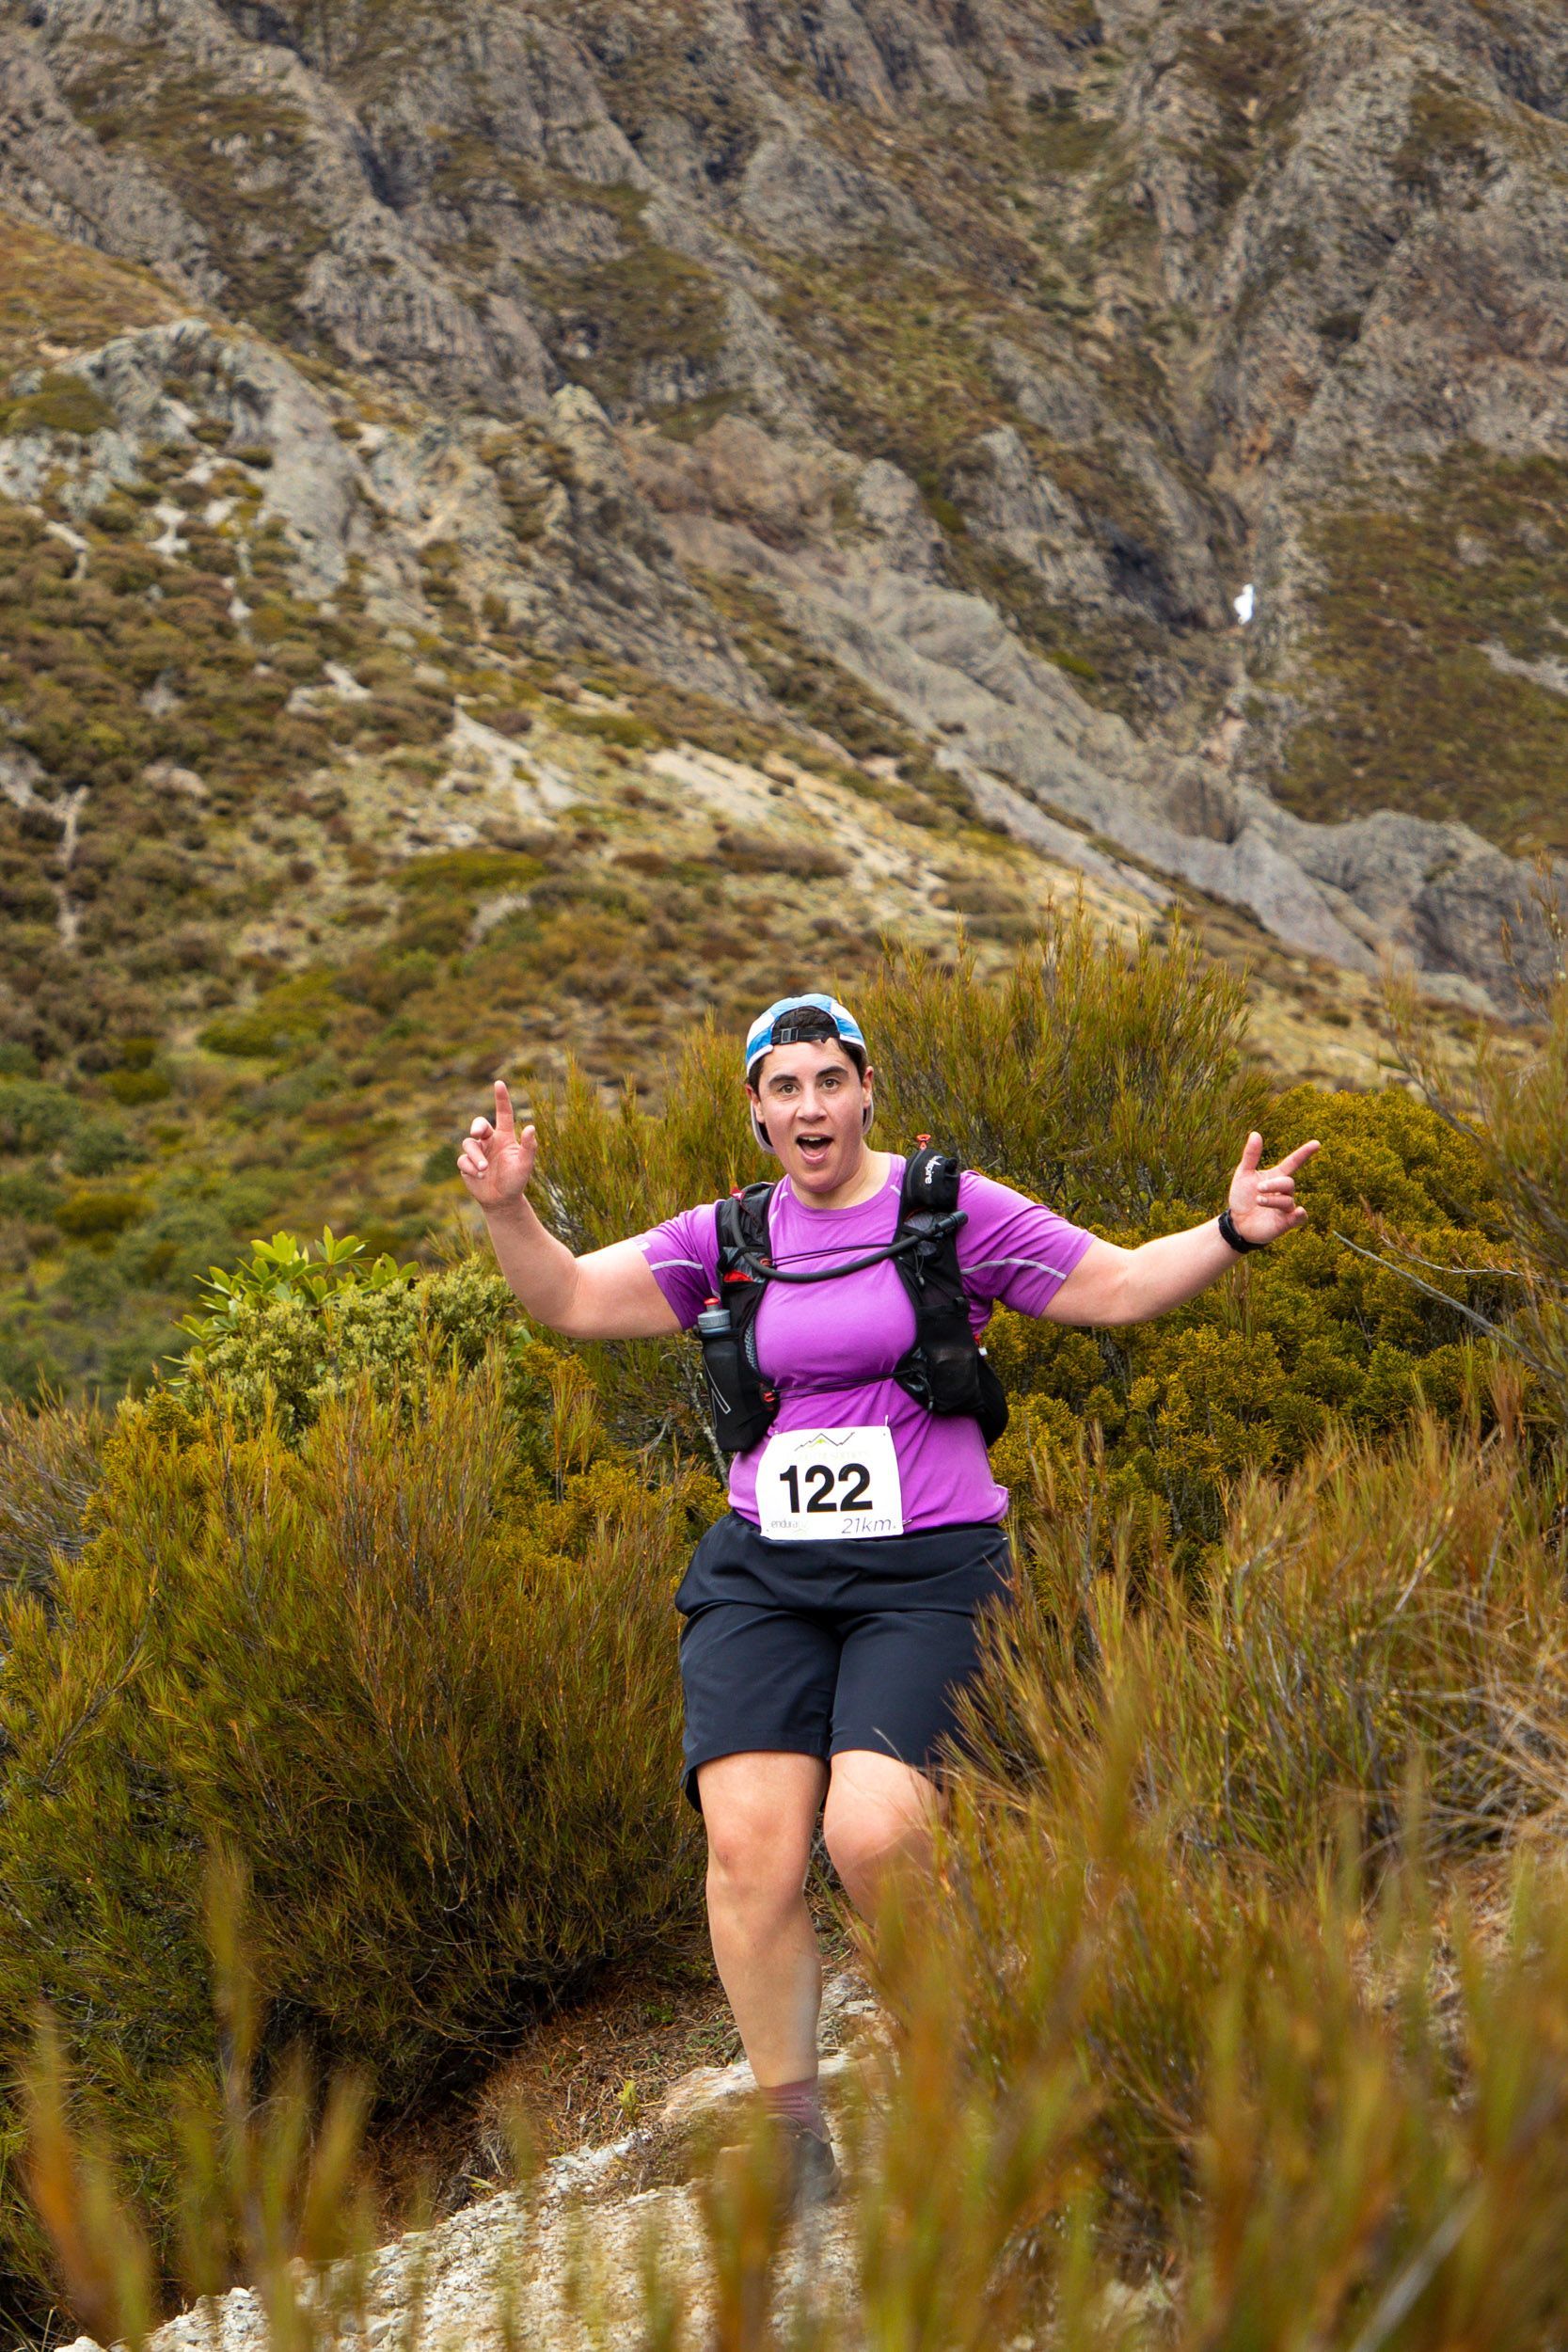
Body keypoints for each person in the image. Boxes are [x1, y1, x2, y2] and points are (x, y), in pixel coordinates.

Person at [457, 993, 1320, 2201]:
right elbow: (566, 1300)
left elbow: (1115, 1284)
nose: (808, 1106)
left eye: (828, 1081)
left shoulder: (945, 1210)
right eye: (783, 1087)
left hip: (929, 1572)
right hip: (766, 1571)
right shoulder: (727, 1237)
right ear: (755, 1112)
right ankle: (797, 2135)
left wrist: (1226, 1229)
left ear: (865, 1090)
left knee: (875, 1837)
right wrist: (509, 1211)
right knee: (747, 1851)